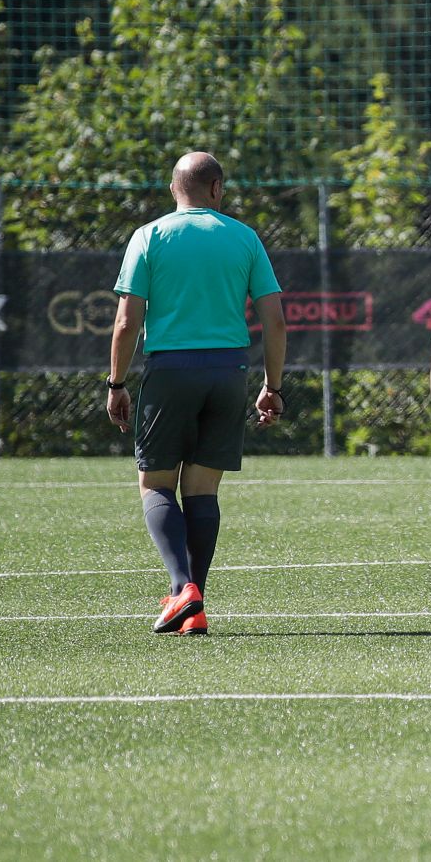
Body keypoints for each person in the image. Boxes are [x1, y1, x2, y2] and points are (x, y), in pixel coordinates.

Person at [107, 151, 287, 636]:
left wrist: (117, 383)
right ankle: (195, 607)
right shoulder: (244, 237)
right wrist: (272, 386)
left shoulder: (150, 236)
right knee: (202, 488)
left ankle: (182, 586)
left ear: (173, 189)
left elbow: (127, 322)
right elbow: (275, 320)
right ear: (217, 189)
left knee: (156, 484)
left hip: (170, 372)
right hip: (229, 371)